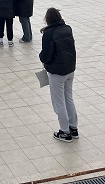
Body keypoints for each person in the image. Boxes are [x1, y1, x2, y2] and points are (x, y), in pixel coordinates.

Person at [39, 8, 78, 142]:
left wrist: (42, 58)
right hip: (70, 69)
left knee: (59, 102)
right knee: (69, 98)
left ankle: (65, 131)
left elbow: (46, 55)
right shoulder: (68, 29)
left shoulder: (49, 33)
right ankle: (73, 128)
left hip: (57, 72)